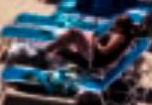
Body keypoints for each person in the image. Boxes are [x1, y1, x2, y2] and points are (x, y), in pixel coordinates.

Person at [13, 13, 142, 72]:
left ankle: (44, 52)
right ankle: (45, 56)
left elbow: (104, 50)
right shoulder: (124, 36)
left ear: (121, 27)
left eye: (115, 25)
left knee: (74, 33)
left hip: (95, 60)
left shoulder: (119, 36)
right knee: (67, 46)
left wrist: (92, 41)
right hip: (97, 59)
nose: (113, 27)